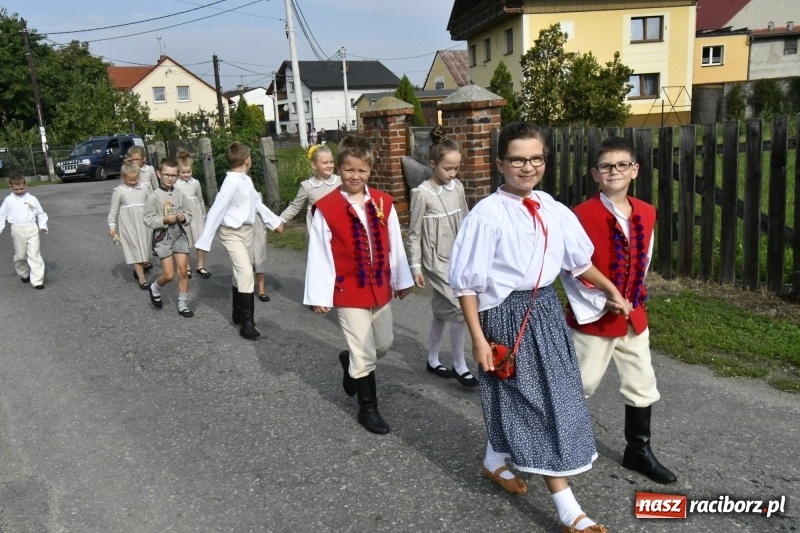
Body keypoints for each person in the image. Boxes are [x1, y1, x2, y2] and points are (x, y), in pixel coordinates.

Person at [449, 122, 631, 533]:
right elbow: (466, 285)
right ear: (500, 163)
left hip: (544, 311)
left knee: (549, 395)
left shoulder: (551, 207)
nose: (527, 167)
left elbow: (578, 261)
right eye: (517, 159)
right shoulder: (487, 216)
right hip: (505, 316)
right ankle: (569, 510)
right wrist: (478, 340)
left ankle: (495, 460)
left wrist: (611, 290)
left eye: (536, 158)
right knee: (537, 403)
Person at [562, 136, 677, 486]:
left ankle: (638, 451)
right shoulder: (579, 215)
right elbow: (571, 266)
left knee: (642, 382)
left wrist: (633, 297)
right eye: (606, 166)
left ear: (635, 170)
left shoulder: (646, 211)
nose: (615, 171)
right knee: (580, 383)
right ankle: (561, 445)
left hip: (632, 314)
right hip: (594, 315)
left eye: (622, 165)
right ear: (595, 173)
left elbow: (644, 259)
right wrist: (602, 299)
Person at [304, 134, 414, 435]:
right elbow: (319, 254)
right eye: (349, 169)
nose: (355, 176)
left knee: (383, 344)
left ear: (370, 170)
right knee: (365, 353)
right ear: (339, 169)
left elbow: (395, 244)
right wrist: (319, 294)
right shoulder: (325, 208)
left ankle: (350, 361)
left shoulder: (383, 202)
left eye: (361, 170)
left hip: (379, 287)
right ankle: (368, 409)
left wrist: (401, 279)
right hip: (348, 290)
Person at [195, 141, 284, 339]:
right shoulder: (232, 183)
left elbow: (257, 203)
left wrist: (274, 221)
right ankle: (247, 323)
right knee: (245, 272)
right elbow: (216, 210)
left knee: (240, 271)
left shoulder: (245, 180)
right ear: (247, 160)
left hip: (247, 231)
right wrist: (204, 242)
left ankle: (237, 312)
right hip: (231, 233)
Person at [408, 125, 474, 387]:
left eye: (456, 168)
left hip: (458, 256)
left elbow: (467, 218)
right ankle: (460, 365)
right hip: (436, 260)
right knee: (459, 307)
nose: (452, 173)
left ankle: (433, 359)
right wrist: (415, 266)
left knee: (441, 310)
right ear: (433, 163)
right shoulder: (421, 193)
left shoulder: (457, 187)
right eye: (447, 168)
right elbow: (413, 233)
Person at [143, 157, 194, 317]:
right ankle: (155, 288)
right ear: (159, 174)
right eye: (166, 175)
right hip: (162, 237)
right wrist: (163, 220)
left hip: (179, 236)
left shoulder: (180, 194)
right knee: (169, 275)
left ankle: (183, 304)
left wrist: (183, 217)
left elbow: (189, 213)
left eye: (173, 175)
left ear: (177, 175)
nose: (170, 178)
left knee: (183, 272)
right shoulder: (154, 196)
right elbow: (148, 218)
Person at [108, 160, 154, 290]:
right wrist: (112, 226)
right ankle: (142, 279)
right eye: (130, 180)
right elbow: (113, 210)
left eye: (136, 179)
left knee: (145, 250)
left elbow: (152, 204)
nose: (134, 182)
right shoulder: (119, 191)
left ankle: (140, 266)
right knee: (135, 250)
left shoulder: (145, 188)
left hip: (144, 224)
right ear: (124, 178)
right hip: (129, 226)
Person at [278, 144, 341, 236]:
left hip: (338, 228)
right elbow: (295, 206)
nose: (330, 165)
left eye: (331, 162)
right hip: (317, 231)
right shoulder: (307, 186)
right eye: (325, 162)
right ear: (314, 165)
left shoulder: (340, 182)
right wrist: (280, 220)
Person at [0, 173, 48, 290]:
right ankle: (24, 273)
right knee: (20, 256)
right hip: (17, 229)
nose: (19, 191)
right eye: (16, 189)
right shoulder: (9, 200)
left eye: (22, 188)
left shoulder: (32, 199)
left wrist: (42, 225)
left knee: (34, 255)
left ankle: (37, 280)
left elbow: (41, 214)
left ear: (26, 185)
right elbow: (1, 216)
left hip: (32, 228)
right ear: (11, 187)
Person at [174, 149, 211, 280]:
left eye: (188, 172)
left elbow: (200, 200)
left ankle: (200, 265)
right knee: (185, 240)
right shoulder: (176, 184)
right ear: (178, 171)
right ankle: (187, 266)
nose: (186, 175)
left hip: (196, 214)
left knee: (200, 240)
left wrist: (204, 215)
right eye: (183, 172)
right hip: (183, 214)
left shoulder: (195, 183)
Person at [252, 192, 270, 302]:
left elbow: (263, 214)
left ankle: (261, 290)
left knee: (259, 260)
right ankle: (244, 289)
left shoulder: (257, 194)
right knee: (245, 261)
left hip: (257, 228)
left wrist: (264, 233)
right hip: (241, 229)